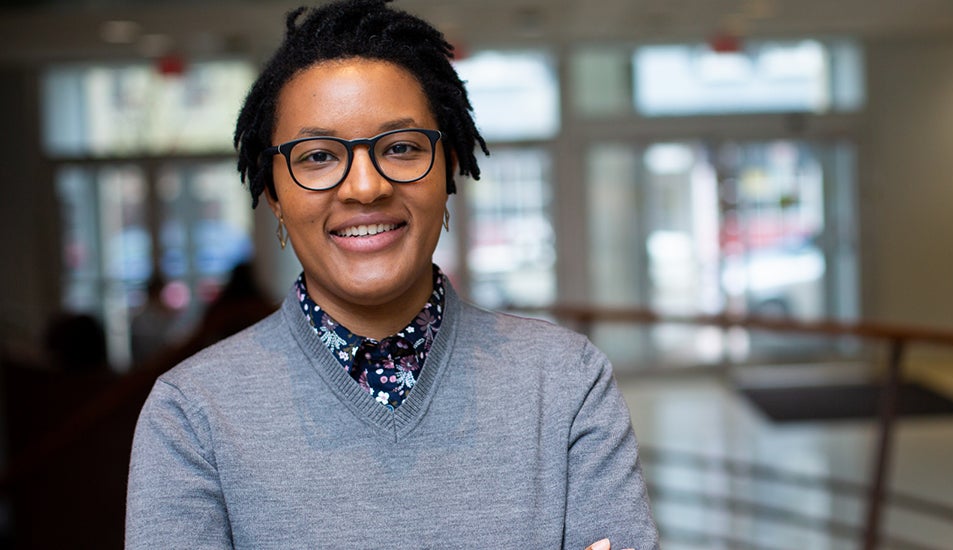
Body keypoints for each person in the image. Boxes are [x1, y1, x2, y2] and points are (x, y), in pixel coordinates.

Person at [124, 1, 658, 549]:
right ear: (274, 196)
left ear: (448, 169)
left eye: (401, 148)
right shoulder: (191, 415)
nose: (364, 187)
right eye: (318, 156)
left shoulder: (566, 381)